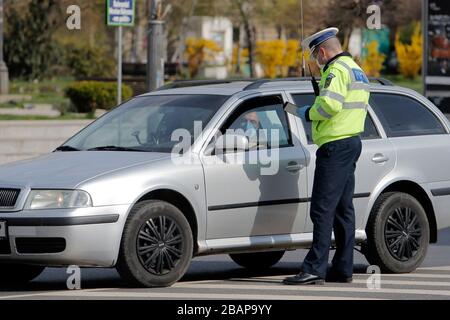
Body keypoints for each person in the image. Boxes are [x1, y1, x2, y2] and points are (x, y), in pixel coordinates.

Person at [283, 27, 370, 285]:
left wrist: (307, 112)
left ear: (322, 51)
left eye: (316, 58)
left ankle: (314, 268)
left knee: (322, 209)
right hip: (351, 142)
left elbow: (330, 105)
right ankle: (343, 269)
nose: (317, 63)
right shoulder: (355, 68)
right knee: (343, 209)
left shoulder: (336, 70)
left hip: (335, 145)